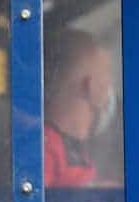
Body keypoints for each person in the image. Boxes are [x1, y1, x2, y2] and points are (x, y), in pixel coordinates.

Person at [43, 28, 116, 188]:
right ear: (90, 86)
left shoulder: (76, 147)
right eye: (107, 73)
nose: (110, 86)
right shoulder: (44, 147)